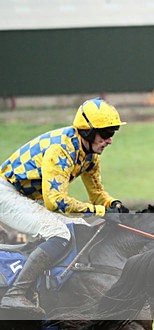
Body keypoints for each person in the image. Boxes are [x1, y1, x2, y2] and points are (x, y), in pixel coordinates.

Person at [0, 98, 128, 314]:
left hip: (28, 197)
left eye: (112, 134)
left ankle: (56, 290)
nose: (110, 140)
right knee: (58, 233)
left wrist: (112, 204)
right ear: (87, 131)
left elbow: (97, 194)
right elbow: (55, 201)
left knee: (80, 227)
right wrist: (99, 211)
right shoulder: (61, 149)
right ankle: (16, 294)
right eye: (106, 134)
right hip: (7, 194)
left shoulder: (89, 155)